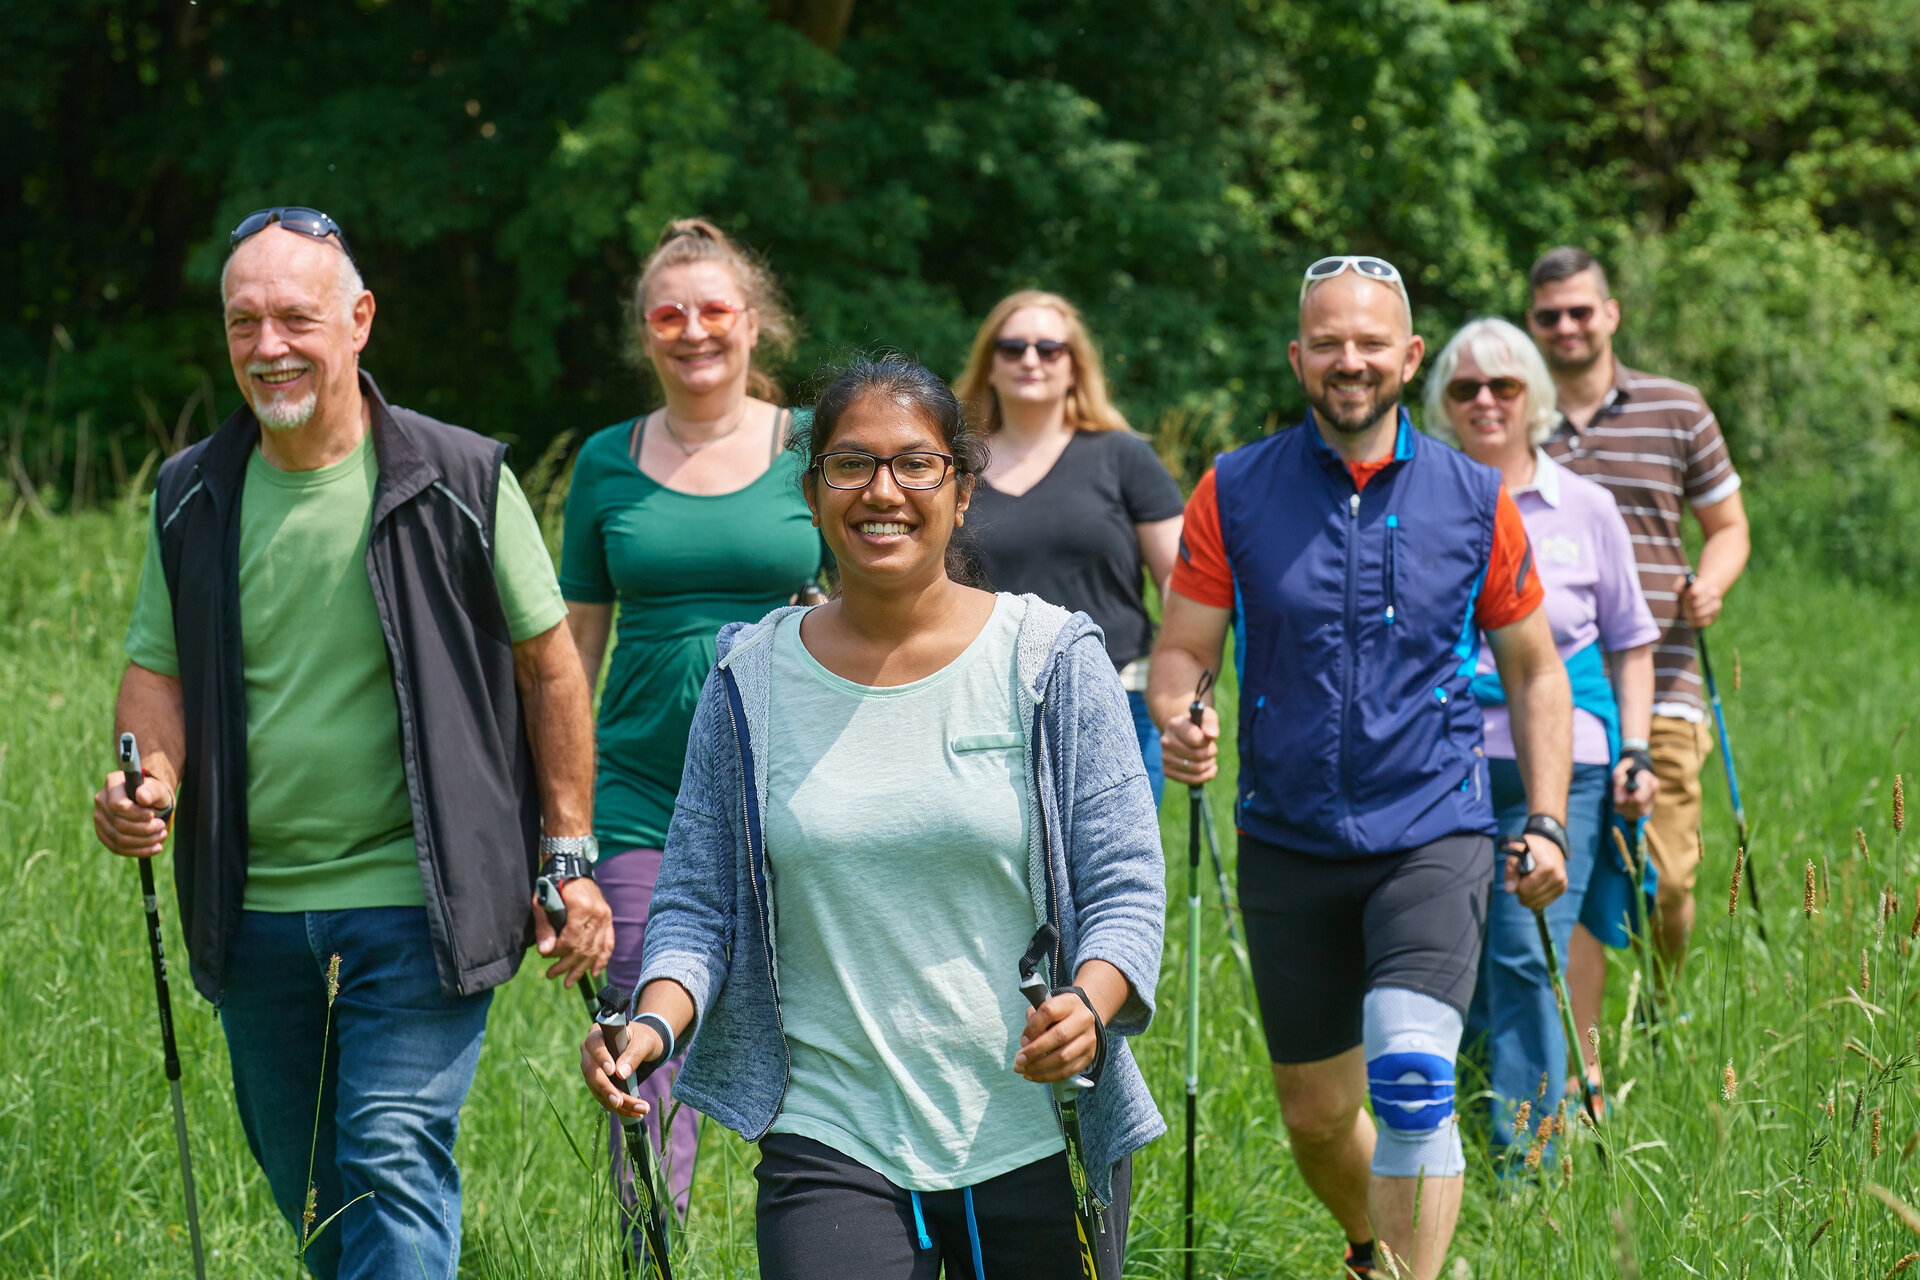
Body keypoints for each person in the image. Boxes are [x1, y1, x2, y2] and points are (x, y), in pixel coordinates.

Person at [92, 207, 613, 1280]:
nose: (268, 345)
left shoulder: (460, 478)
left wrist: (566, 851)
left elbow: (550, 662)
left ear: (359, 319)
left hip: (421, 897)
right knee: (318, 1194)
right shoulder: (191, 490)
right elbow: (158, 671)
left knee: (389, 1149)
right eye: (245, 322)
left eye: (294, 317)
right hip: (255, 906)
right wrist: (152, 782)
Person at [580, 358, 1167, 1280]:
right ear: (812, 492)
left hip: (1032, 1131)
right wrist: (649, 1028)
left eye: (915, 465)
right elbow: (695, 908)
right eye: (849, 466)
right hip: (831, 1136)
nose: (881, 492)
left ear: (963, 489)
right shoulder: (750, 682)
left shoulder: (1051, 661)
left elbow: (1127, 891)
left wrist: (1088, 1008)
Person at [1150, 256, 1573, 1280]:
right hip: (1287, 837)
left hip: (1433, 828)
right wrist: (1180, 714)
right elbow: (1182, 651)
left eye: (1372, 343)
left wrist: (1550, 817)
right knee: (1318, 1115)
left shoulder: (1475, 498)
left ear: (1409, 356)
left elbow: (1536, 671)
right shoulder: (1234, 488)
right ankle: (1371, 1248)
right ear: (1299, 356)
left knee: (1416, 1075)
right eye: (1329, 342)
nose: (1351, 361)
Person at [559, 217, 822, 1218]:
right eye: (669, 313)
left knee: (800, 1024)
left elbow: (882, 599)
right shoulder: (604, 461)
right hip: (637, 791)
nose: (693, 329)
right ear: (645, 333)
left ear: (754, 325)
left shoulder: (814, 441)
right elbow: (571, 652)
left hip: (791, 780)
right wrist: (561, 823)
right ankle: (649, 1239)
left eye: (715, 310)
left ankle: (817, 1226)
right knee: (641, 1023)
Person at [1424, 317, 1660, 1148]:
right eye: (1465, 388)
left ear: (1536, 398)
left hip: (1568, 765)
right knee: (1458, 965)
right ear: (1442, 403)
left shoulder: (1586, 508)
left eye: (1504, 386)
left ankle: (1524, 1166)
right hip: (1446, 765)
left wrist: (1636, 748)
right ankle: (1459, 1142)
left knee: (1527, 953)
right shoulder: (1421, 505)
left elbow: (1631, 640)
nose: (1485, 401)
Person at [1527, 247, 1752, 991]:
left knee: (1669, 879)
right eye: (1549, 315)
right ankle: (1562, 1034)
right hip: (1542, 685)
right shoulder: (1513, 415)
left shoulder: (1676, 408)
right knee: (1550, 873)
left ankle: (1662, 1005)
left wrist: (1710, 587)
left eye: (1580, 311)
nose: (1566, 327)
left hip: (1664, 679)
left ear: (1611, 314)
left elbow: (1728, 526)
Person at [954, 290, 1185, 805]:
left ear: (1075, 367)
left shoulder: (1125, 457)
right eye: (1012, 348)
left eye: (1049, 348)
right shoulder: (955, 466)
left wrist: (1184, 684)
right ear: (990, 366)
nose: (1030, 360)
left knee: (1114, 874)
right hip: (982, 708)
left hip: (1118, 700)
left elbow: (1182, 582)